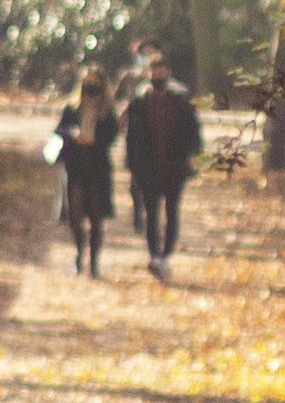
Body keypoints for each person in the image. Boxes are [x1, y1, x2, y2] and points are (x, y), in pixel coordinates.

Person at [123, 56, 205, 278]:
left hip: (174, 166)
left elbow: (193, 129)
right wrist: (131, 163)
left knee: (171, 210)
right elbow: (131, 136)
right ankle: (154, 254)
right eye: (153, 73)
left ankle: (166, 252)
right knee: (151, 211)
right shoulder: (139, 101)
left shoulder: (180, 99)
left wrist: (193, 154)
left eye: (161, 72)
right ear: (148, 74)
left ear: (168, 72)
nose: (157, 76)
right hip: (148, 167)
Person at [48, 66, 117, 277]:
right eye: (88, 82)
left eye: (95, 83)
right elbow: (59, 129)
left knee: (96, 218)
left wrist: (95, 140)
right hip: (75, 168)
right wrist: (73, 134)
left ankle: (94, 263)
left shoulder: (107, 112)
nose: (91, 87)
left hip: (98, 169)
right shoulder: (72, 108)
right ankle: (79, 254)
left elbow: (112, 135)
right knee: (75, 216)